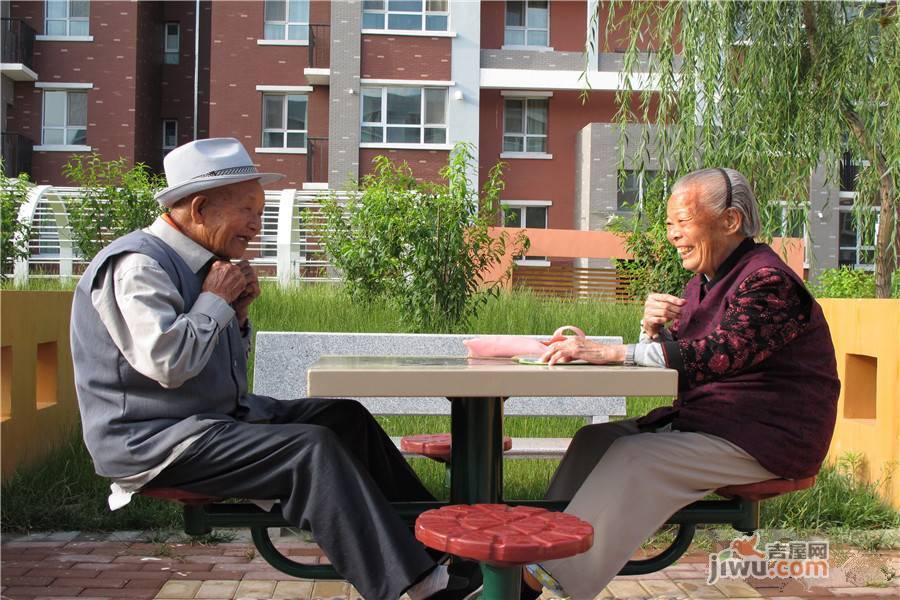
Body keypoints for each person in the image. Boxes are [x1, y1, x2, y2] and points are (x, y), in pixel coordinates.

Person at [70, 138, 481, 600]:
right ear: (201, 208)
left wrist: (236, 316)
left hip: (210, 422)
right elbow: (168, 364)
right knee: (310, 449)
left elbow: (214, 365)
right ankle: (421, 586)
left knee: (344, 418)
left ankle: (444, 551)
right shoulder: (137, 266)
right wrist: (216, 301)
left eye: (260, 213)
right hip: (153, 444)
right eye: (248, 212)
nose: (256, 228)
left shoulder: (205, 264)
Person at [523, 167, 840, 599]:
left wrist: (615, 352)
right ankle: (532, 550)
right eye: (670, 224)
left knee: (634, 457)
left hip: (767, 437)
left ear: (729, 221)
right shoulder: (703, 283)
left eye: (683, 222)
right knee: (593, 441)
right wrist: (651, 331)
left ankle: (540, 579)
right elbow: (686, 359)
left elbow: (720, 354)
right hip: (717, 423)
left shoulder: (768, 281)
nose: (673, 234)